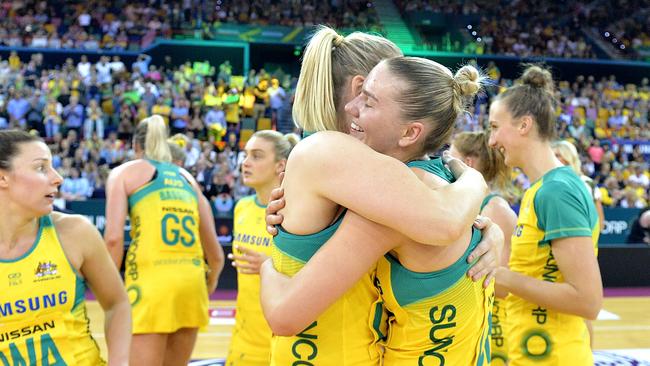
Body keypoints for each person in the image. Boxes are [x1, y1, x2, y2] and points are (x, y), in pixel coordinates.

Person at [258, 26, 501, 365]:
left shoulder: (385, 180)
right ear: (360, 85)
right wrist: (475, 181)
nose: (358, 108)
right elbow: (444, 220)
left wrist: (270, 265)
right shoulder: (341, 157)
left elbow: (442, 220)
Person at [488, 66, 603, 365]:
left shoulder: (557, 191)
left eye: (494, 127)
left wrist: (505, 277)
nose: (491, 141)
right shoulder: (540, 190)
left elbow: (588, 300)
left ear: (524, 125)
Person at [0, 130, 131, 365]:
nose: (58, 178)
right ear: (3, 178)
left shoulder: (75, 232)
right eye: (41, 168)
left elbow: (117, 303)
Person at [103, 115, 224, 366]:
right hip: (191, 284)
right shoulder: (187, 179)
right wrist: (209, 283)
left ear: (136, 147)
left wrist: (107, 290)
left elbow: (114, 239)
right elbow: (216, 254)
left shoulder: (123, 173)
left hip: (151, 283)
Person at [225, 130, 299, 365]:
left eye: (256, 156)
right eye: (245, 155)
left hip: (281, 343)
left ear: (281, 165)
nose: (245, 163)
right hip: (242, 342)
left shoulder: (297, 212)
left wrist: (268, 265)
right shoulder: (241, 208)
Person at [451, 130, 518, 365]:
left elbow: (504, 287)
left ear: (467, 162)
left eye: (450, 154)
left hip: (495, 322)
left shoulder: (495, 209)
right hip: (472, 317)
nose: (444, 160)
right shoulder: (466, 205)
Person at [552, 140, 605, 232]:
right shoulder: (547, 183)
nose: (553, 158)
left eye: (557, 155)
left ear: (568, 158)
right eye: (552, 155)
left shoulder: (587, 183)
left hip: (583, 236)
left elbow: (599, 218)